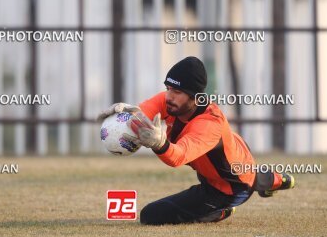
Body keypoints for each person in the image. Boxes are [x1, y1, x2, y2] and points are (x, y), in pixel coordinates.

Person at [97, 56, 295, 225]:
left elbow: (178, 157)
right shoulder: (173, 102)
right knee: (250, 174)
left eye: (177, 92)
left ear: (196, 97)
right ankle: (276, 179)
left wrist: (159, 144)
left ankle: (219, 210)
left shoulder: (209, 124)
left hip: (227, 188)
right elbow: (144, 113)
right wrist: (127, 114)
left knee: (151, 216)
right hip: (238, 155)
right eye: (168, 88)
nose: (169, 96)